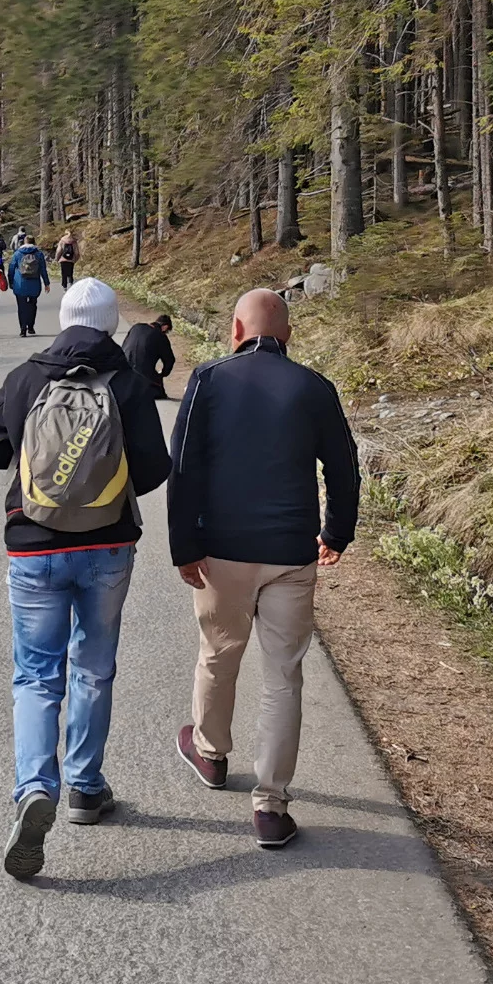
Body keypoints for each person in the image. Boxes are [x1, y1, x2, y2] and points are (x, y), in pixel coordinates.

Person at [0, 277, 173, 881]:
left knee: (35, 674)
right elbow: (156, 470)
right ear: (110, 325)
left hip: (32, 548)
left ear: (63, 319)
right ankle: (84, 787)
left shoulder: (27, 377)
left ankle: (35, 786)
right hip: (108, 546)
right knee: (93, 666)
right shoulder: (129, 384)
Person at [166, 287, 360, 851]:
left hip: (221, 550)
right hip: (290, 554)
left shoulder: (208, 380)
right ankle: (271, 806)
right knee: (284, 677)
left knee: (219, 652)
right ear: (288, 335)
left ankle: (210, 753)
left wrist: (185, 546)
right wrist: (336, 532)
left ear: (235, 329)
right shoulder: (314, 387)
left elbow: (183, 469)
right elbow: (344, 467)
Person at [122, 312, 177, 401]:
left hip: (123, 370)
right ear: (165, 327)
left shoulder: (136, 327)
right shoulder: (160, 336)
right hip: (143, 374)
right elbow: (169, 360)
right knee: (157, 391)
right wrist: (163, 373)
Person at [5, 233, 50, 339]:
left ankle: (23, 329)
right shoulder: (38, 254)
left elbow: (11, 268)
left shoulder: (17, 253)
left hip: (20, 283)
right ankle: (31, 326)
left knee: (22, 307)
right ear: (34, 242)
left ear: (24, 242)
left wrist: (10, 281)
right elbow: (43, 269)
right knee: (33, 305)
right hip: (34, 283)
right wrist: (46, 283)